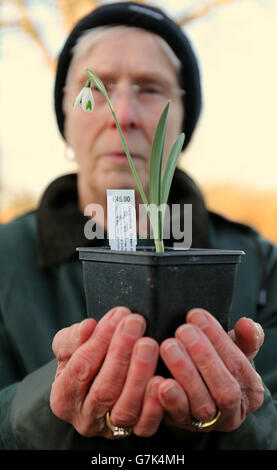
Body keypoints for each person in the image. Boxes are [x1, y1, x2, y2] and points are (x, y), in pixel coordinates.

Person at [0, 1, 277, 451]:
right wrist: (42, 407)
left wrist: (241, 414)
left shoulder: (259, 262)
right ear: (66, 119)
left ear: (184, 117)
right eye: (100, 87)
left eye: (149, 88)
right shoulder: (6, 256)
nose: (122, 113)